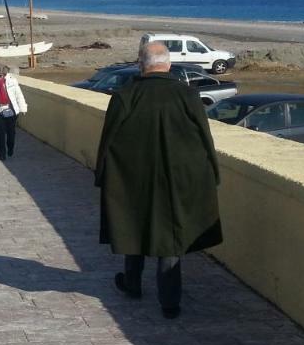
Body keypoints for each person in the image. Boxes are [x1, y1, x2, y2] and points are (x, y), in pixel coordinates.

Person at [95, 41, 222, 319]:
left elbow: (109, 141)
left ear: (142, 63)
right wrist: (212, 172)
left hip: (134, 179)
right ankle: (169, 302)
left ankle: (132, 284)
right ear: (169, 64)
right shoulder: (187, 95)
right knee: (170, 238)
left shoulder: (125, 95)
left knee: (134, 229)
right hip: (178, 178)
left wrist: (102, 174)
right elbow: (204, 137)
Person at [0, 63, 28, 161]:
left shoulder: (12, 81)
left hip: (10, 110)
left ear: (4, 74)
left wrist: (23, 108)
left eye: (0, 75)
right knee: (0, 132)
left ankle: (10, 147)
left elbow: (18, 94)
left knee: (11, 133)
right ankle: (1, 153)